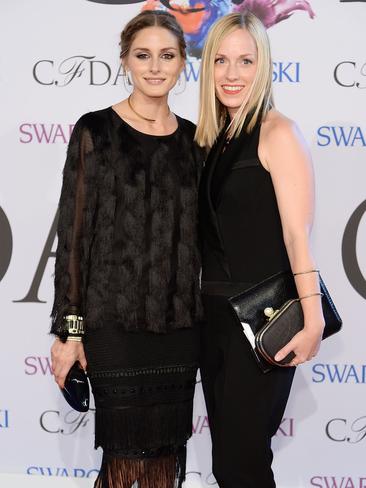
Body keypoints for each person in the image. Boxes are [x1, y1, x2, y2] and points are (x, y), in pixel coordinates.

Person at [50, 11, 203, 488]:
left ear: (182, 64)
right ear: (125, 61)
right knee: (121, 458)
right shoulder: (96, 130)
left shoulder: (197, 142)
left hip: (178, 326)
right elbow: (73, 237)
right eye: (143, 55)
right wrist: (69, 331)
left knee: (164, 456)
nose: (155, 66)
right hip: (111, 325)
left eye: (167, 55)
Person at [195, 12, 325, 488]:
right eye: (221, 61)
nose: (232, 74)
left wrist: (312, 323)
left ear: (263, 65)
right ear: (207, 67)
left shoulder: (279, 133)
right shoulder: (212, 140)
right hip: (214, 320)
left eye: (245, 61)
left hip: (262, 321)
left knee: (241, 465)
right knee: (227, 465)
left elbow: (297, 237)